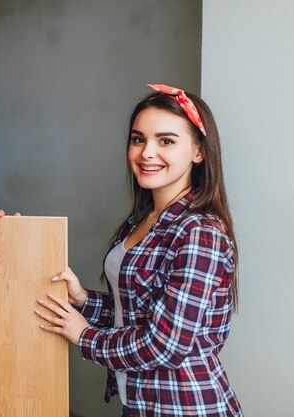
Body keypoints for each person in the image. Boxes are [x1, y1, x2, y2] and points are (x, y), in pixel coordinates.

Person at [35, 84, 243, 417]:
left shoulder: (199, 233)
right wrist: (84, 301)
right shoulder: (145, 220)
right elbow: (138, 313)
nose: (147, 153)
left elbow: (166, 345)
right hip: (139, 403)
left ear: (199, 151)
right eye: (138, 139)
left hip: (185, 407)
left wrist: (83, 335)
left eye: (166, 141)